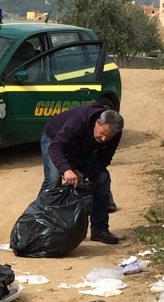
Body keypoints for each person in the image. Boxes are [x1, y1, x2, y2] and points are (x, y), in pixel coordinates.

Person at [39, 102, 125, 245]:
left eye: (108, 137)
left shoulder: (114, 132)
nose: (104, 139)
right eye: (102, 134)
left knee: (102, 178)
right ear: (97, 122)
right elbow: (55, 147)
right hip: (55, 140)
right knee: (53, 180)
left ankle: (99, 230)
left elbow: (104, 159)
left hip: (82, 147)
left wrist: (83, 173)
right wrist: (66, 169)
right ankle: (41, 227)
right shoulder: (78, 121)